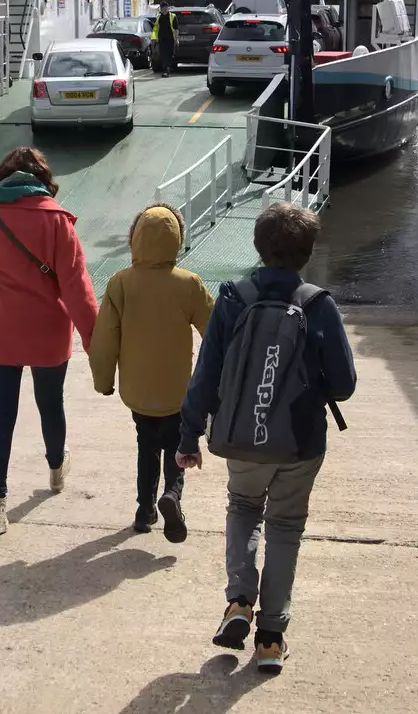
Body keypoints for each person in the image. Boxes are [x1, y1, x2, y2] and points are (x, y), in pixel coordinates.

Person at [176, 202, 357, 675]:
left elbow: (206, 372)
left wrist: (189, 434)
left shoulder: (233, 297)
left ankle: (238, 602)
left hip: (240, 435)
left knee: (243, 507)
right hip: (299, 441)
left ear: (258, 246)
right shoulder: (318, 304)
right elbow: (344, 385)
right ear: (307, 252)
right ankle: (272, 637)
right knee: (285, 526)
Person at [0, 146, 98, 536]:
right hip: (47, 333)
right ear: (42, 181)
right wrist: (94, 338)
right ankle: (55, 469)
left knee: (1, 415)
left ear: (1, 179)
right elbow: (76, 287)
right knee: (51, 404)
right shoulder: (57, 222)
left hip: (0, 333)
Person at [87, 203, 215, 540]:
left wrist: (104, 381)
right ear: (178, 240)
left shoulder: (120, 284)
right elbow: (216, 335)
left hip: (137, 391)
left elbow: (104, 340)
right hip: (177, 392)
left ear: (134, 239)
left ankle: (144, 511)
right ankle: (171, 495)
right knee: (177, 444)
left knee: (146, 445)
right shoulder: (189, 284)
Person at [152, 2, 177, 74]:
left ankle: (168, 67)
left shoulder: (173, 16)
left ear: (168, 8)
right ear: (161, 8)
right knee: (163, 54)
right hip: (162, 39)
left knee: (170, 53)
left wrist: (176, 39)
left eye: (166, 7)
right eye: (163, 8)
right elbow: (155, 28)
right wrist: (154, 38)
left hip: (171, 38)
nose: (165, 9)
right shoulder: (158, 17)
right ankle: (165, 69)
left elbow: (176, 28)